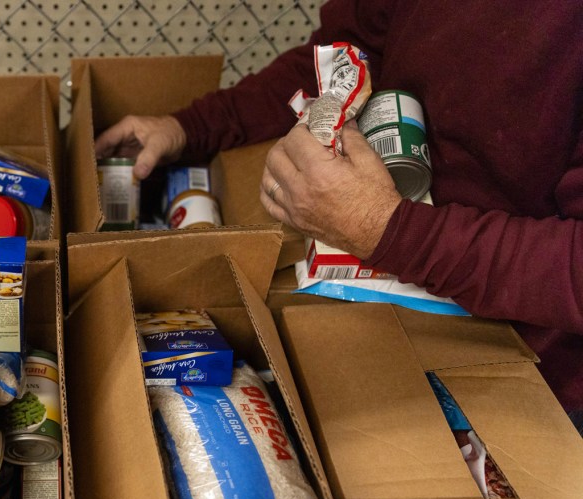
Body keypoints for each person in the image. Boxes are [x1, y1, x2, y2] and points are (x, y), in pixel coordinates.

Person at [95, 0, 583, 429]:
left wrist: (385, 228)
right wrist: (188, 127)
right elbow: (347, 57)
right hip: (384, 277)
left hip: (532, 369)